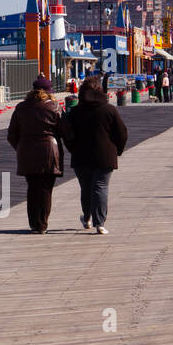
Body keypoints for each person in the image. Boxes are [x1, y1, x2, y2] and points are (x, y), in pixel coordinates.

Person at [59, 75, 127, 234]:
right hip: (105, 155)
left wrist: (72, 149)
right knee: (100, 187)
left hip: (81, 155)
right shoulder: (109, 109)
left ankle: (87, 217)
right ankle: (100, 223)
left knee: (86, 188)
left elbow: (67, 134)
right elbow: (122, 133)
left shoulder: (75, 112)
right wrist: (118, 150)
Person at [7, 75, 63, 233]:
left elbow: (11, 135)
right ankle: (42, 224)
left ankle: (33, 223)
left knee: (32, 188)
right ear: (48, 92)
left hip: (27, 152)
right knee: (46, 189)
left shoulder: (21, 107)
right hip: (49, 152)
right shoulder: (54, 107)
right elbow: (66, 131)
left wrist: (21, 148)